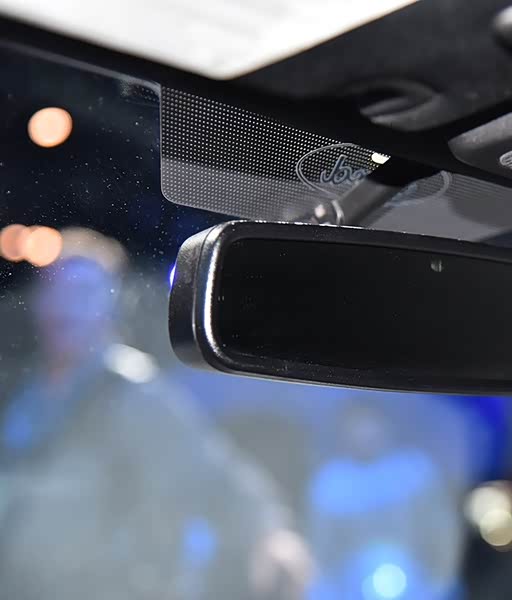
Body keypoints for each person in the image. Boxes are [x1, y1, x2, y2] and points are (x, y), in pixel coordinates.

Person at [0, 229, 310, 600]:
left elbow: (208, 473)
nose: (68, 307)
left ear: (109, 306)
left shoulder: (131, 394)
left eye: (84, 293)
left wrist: (269, 533)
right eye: (58, 291)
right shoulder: (22, 393)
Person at [307, 400, 463, 600]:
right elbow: (322, 543)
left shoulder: (413, 470)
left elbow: (439, 528)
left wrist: (439, 576)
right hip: (351, 584)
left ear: (385, 425)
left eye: (370, 423)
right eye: (357, 425)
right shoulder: (331, 482)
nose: (365, 433)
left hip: (416, 578)